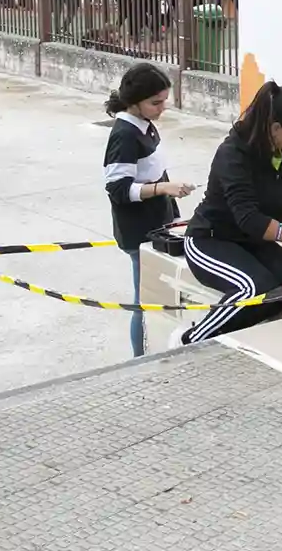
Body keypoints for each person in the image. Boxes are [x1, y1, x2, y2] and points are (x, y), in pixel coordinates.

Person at [175, 81, 282, 346]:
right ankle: (191, 340)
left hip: (250, 243)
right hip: (210, 240)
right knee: (254, 287)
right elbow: (250, 220)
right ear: (275, 129)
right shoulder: (232, 155)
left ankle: (241, 335)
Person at [102, 62, 194, 357]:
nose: (162, 107)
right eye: (155, 102)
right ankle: (139, 358)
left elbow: (159, 171)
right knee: (144, 301)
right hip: (138, 230)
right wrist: (162, 189)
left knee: (154, 298)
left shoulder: (146, 126)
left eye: (164, 100)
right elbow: (117, 189)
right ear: (134, 101)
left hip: (159, 223)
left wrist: (174, 213)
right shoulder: (124, 135)